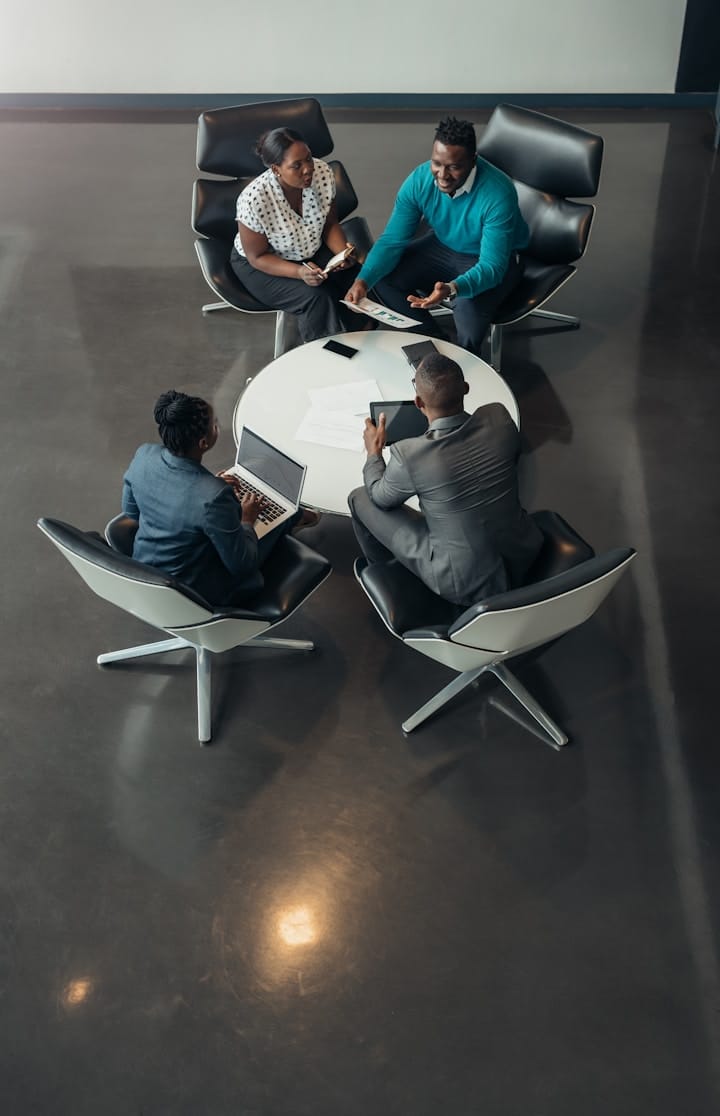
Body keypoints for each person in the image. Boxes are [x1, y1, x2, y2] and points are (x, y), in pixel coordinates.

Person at [348, 353, 542, 606]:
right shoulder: (499, 417)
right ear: (466, 389)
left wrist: (374, 453)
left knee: (360, 497)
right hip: (523, 551)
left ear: (418, 402)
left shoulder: (410, 453)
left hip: (462, 582)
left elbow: (381, 498)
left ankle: (391, 577)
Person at [345, 116, 528, 356]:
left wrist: (453, 288)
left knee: (467, 309)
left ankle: (463, 365)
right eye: (437, 163)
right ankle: (435, 346)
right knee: (381, 277)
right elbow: (392, 241)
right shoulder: (420, 180)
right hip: (443, 246)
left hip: (490, 258)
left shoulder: (498, 193)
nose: (442, 175)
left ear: (473, 161)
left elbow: (492, 266)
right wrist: (363, 280)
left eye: (454, 166)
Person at [122, 390, 317, 605]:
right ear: (204, 443)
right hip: (192, 595)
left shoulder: (144, 455)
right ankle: (297, 516)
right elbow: (243, 565)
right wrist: (246, 520)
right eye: (215, 424)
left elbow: (132, 513)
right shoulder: (212, 497)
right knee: (283, 515)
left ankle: (297, 516)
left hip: (144, 573)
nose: (218, 426)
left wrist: (206, 486)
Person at [230, 127, 359, 343]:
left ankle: (360, 341)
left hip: (307, 248)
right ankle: (322, 358)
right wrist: (299, 272)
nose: (308, 169)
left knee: (357, 278)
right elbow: (257, 257)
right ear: (277, 169)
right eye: (296, 166)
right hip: (261, 263)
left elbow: (329, 224)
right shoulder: (254, 199)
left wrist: (342, 253)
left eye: (308, 158)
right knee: (316, 298)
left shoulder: (323, 172)